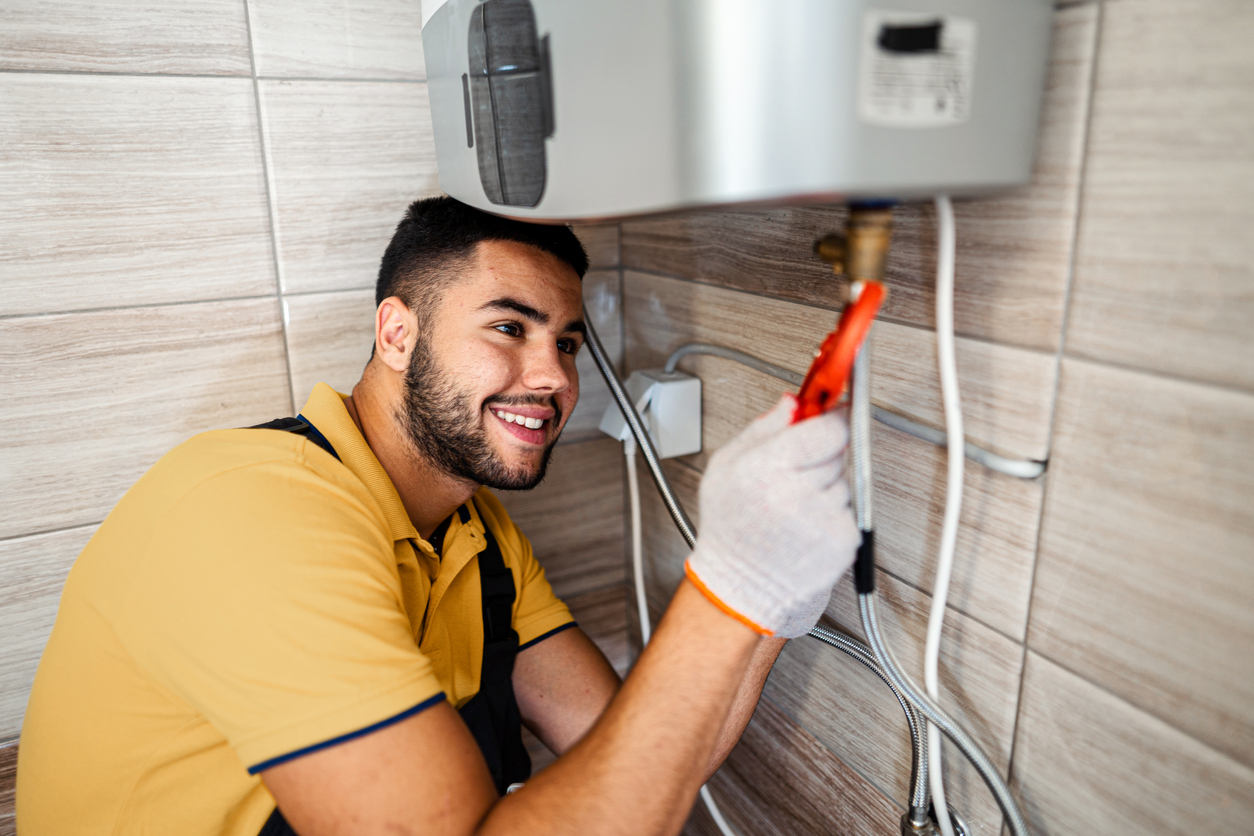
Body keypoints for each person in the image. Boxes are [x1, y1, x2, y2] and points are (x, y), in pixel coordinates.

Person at [17, 197, 860, 836]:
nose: (555, 378)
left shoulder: (478, 536)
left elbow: (639, 758)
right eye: (508, 327)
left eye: (565, 342)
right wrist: (727, 587)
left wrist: (767, 615)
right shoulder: (248, 509)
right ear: (396, 334)